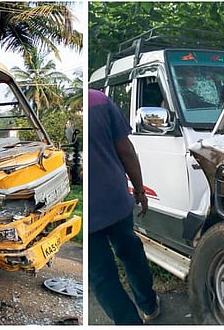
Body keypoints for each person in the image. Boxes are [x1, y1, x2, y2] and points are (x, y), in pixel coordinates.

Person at [87, 89, 160, 325]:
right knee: (131, 253)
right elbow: (126, 150)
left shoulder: (98, 100)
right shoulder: (98, 100)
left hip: (88, 213)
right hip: (115, 200)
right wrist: (139, 190)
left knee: (102, 276)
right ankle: (149, 305)